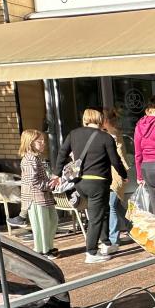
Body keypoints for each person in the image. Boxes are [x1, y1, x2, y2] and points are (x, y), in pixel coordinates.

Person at [53, 108, 127, 264]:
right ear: (100, 120)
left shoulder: (73, 134)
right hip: (98, 182)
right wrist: (124, 175)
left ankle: (106, 243)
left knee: (103, 211)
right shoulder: (106, 137)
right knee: (95, 218)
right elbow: (115, 160)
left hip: (80, 182)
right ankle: (91, 252)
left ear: (85, 119)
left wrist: (56, 174)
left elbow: (62, 154)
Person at [18, 130, 59, 260]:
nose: (43, 143)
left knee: (52, 221)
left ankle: (48, 247)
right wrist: (50, 185)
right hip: (36, 197)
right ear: (30, 143)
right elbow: (34, 181)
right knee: (41, 225)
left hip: (44, 196)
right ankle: (42, 251)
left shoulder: (35, 157)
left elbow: (38, 179)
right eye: (39, 141)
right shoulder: (29, 159)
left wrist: (50, 181)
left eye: (43, 141)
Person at [102, 108, 132, 248]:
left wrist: (123, 173)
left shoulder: (112, 135)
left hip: (115, 173)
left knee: (112, 205)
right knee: (117, 204)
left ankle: (114, 239)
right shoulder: (110, 133)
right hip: (113, 173)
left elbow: (118, 156)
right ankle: (132, 226)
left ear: (105, 120)